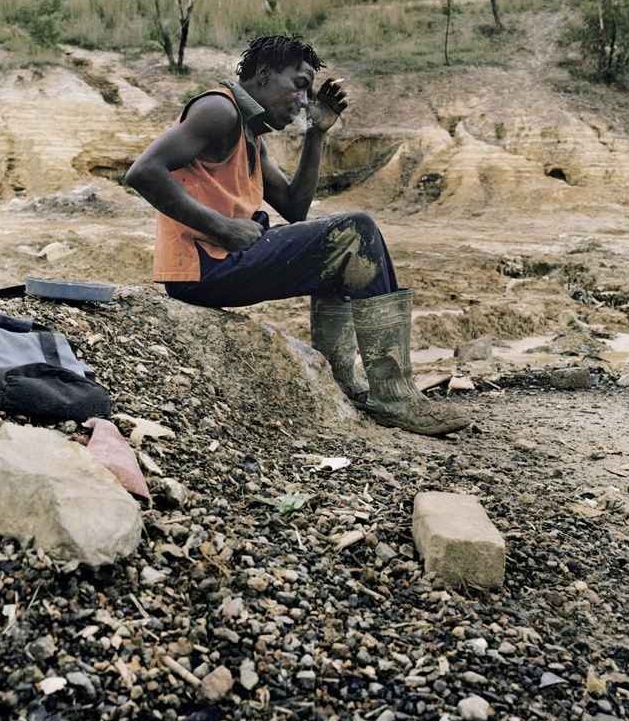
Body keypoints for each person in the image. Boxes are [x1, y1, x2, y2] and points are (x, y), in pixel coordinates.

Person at [125, 34, 469, 437]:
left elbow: (294, 206)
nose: (304, 100)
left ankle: (345, 383)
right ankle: (395, 397)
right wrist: (223, 227)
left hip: (220, 261)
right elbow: (143, 171)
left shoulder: (251, 134)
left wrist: (316, 134)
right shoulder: (218, 110)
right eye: (299, 84)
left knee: (341, 251)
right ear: (264, 73)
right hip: (205, 266)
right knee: (356, 230)